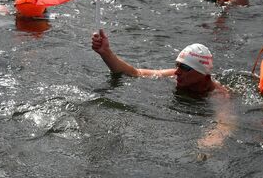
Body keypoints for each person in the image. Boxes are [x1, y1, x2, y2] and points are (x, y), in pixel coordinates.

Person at [91, 29, 233, 148]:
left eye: (184, 68)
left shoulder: (218, 94)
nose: (177, 72)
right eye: (177, 65)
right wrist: (106, 53)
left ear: (204, 76)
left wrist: (210, 142)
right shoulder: (174, 75)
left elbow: (225, 122)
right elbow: (135, 73)